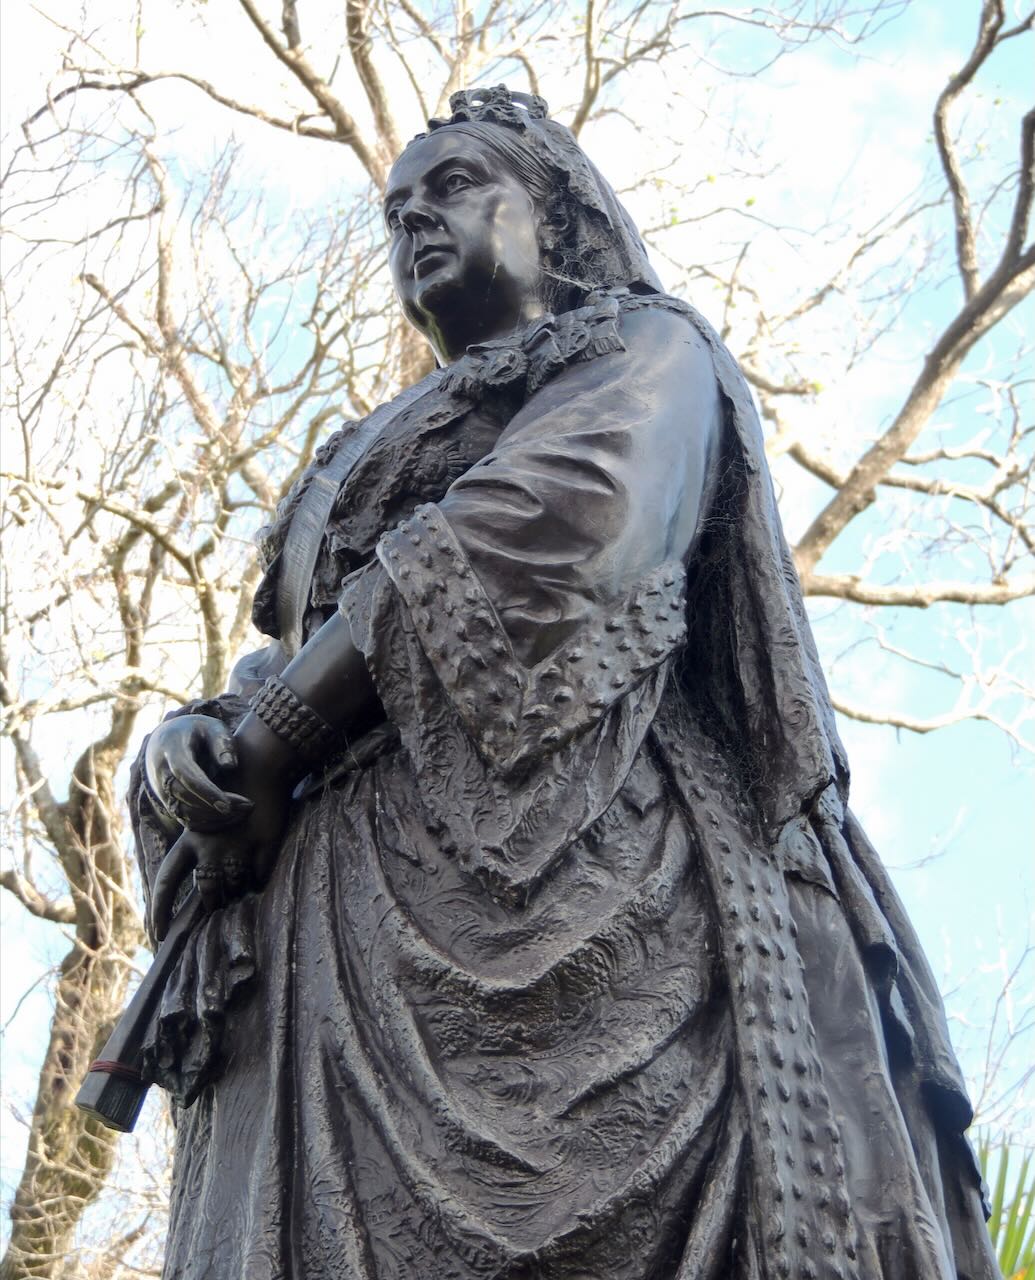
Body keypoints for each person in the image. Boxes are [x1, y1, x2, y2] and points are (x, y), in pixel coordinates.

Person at [133, 87, 998, 1280]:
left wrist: (281, 723)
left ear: (557, 218)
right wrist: (202, 742)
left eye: (452, 187)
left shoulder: (647, 351)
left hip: (591, 899)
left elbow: (549, 524)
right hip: (332, 944)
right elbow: (295, 640)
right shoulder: (353, 446)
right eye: (396, 207)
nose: (414, 220)